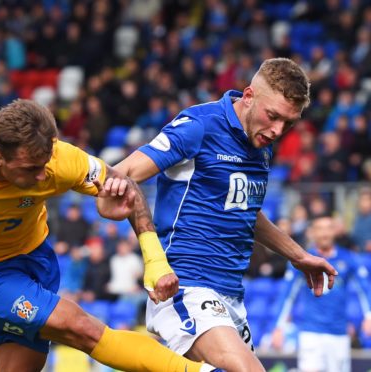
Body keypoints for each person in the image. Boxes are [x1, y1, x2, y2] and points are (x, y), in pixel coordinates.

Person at [0, 99, 221, 372]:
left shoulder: (60, 161)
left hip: (36, 261)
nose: (42, 176)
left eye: (46, 163)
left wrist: (155, 260)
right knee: (82, 328)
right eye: (31, 169)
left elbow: (127, 188)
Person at [109, 58, 338, 371]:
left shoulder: (262, 145)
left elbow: (245, 211)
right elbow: (122, 175)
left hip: (230, 296)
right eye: (273, 116)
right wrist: (150, 251)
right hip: (185, 284)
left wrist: (297, 255)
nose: (277, 130)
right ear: (248, 96)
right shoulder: (199, 125)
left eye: (288, 123)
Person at [270, 214, 371, 372]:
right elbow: (287, 295)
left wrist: (369, 316)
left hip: (339, 334)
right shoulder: (302, 260)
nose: (324, 234)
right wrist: (278, 328)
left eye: (328, 228)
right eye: (320, 229)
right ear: (313, 232)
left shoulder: (348, 258)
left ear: (334, 231)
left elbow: (365, 288)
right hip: (311, 333)